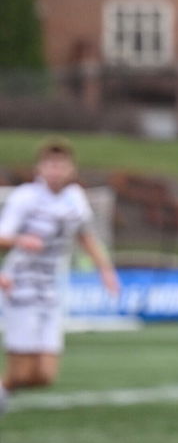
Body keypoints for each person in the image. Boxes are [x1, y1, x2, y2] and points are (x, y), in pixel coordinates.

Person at [0, 139, 120, 421]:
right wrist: (21, 239)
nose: (55, 170)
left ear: (70, 169)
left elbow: (86, 236)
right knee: (21, 370)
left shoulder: (75, 198)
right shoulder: (25, 197)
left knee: (45, 375)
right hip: (21, 288)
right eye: (50, 164)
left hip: (51, 291)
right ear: (39, 168)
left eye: (61, 165)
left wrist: (105, 270)